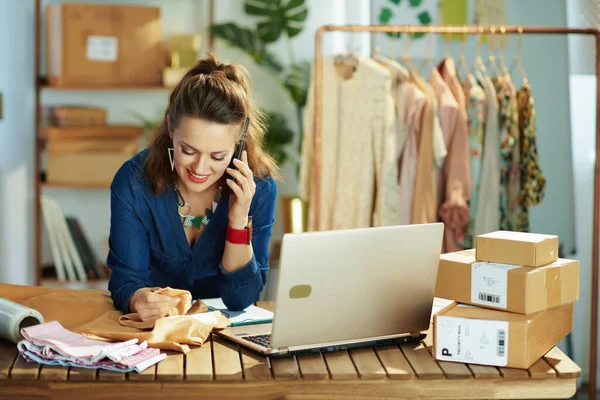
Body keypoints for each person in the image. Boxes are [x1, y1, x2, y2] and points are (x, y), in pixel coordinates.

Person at [107, 54, 279, 321]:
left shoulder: (260, 187)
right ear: (170, 128)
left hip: (225, 341)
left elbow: (242, 299)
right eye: (188, 150)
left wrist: (238, 217)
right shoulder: (134, 181)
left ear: (239, 142)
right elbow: (126, 280)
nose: (200, 169)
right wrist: (136, 298)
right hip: (155, 335)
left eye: (218, 157)